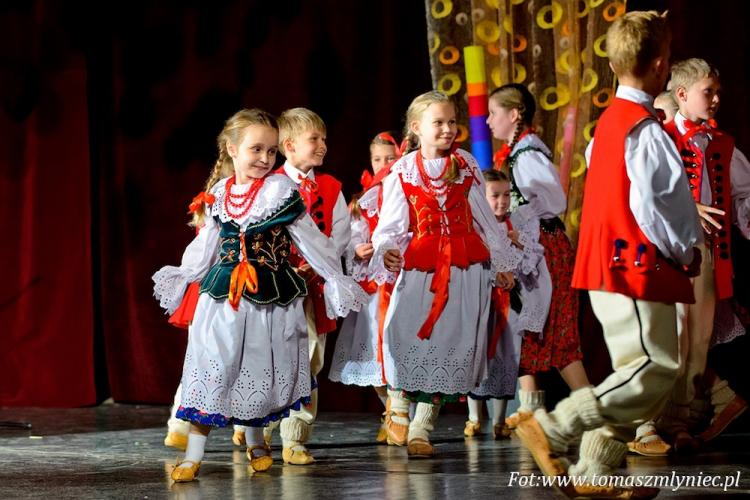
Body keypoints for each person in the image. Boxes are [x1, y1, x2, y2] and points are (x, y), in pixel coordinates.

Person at [514, 12, 703, 498]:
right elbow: (658, 207)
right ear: (661, 65)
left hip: (604, 263)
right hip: (634, 265)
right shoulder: (644, 130)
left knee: (635, 376)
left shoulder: (608, 126)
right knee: (655, 368)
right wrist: (685, 252)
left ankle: (593, 470)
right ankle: (555, 427)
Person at [152, 108, 367, 482]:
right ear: (232, 149)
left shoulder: (281, 191)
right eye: (256, 150)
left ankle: (256, 442)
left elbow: (309, 239)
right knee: (212, 368)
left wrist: (335, 276)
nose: (266, 159)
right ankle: (194, 453)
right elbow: (208, 243)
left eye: (271, 151)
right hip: (223, 296)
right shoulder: (219, 193)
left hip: (269, 297)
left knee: (254, 369)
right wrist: (186, 274)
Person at [370, 90, 520, 457]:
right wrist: (387, 251)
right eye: (439, 122)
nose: (448, 129)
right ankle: (398, 401)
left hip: (463, 268)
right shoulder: (403, 171)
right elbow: (389, 226)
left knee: (449, 346)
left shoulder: (465, 165)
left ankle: (422, 427)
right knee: (403, 334)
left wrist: (501, 263)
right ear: (417, 128)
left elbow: (485, 220)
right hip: (422, 266)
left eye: (452, 121)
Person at [655, 58, 750, 451]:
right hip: (669, 253)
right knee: (672, 340)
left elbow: (743, 195)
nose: (715, 100)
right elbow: (646, 193)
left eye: (717, 92)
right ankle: (663, 423)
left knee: (698, 344)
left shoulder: (721, 144)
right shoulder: (660, 139)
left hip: (707, 255)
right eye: (707, 92)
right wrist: (686, 207)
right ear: (681, 95)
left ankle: (681, 424)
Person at [249, 107, 353, 465]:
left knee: (310, 358)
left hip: (313, 287)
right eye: (314, 139)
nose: (322, 145)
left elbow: (340, 234)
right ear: (289, 146)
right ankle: (258, 429)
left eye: (324, 139)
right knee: (269, 356)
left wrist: (319, 263)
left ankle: (295, 437)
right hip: (275, 287)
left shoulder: (330, 187)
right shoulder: (269, 184)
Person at [487, 83, 591, 426]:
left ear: (514, 115)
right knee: (526, 325)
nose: (488, 121)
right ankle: (532, 408)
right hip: (531, 247)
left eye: (494, 113)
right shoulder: (517, 152)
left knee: (557, 329)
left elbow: (554, 201)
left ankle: (592, 413)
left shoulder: (527, 154)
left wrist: (522, 223)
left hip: (545, 248)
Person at [465, 170, 551, 440]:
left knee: (506, 356)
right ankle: (474, 418)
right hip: (483, 301)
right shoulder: (476, 227)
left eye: (505, 195)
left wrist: (520, 243)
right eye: (495, 196)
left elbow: (533, 258)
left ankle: (500, 420)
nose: (501, 202)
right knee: (478, 356)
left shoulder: (515, 227)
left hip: (509, 304)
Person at [328, 132, 401, 443]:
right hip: (372, 287)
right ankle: (392, 412)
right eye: (377, 159)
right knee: (370, 351)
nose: (383, 164)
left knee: (395, 351)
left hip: (399, 283)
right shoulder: (361, 201)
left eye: (390, 158)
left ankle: (401, 415)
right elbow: (348, 239)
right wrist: (356, 251)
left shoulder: (405, 194)